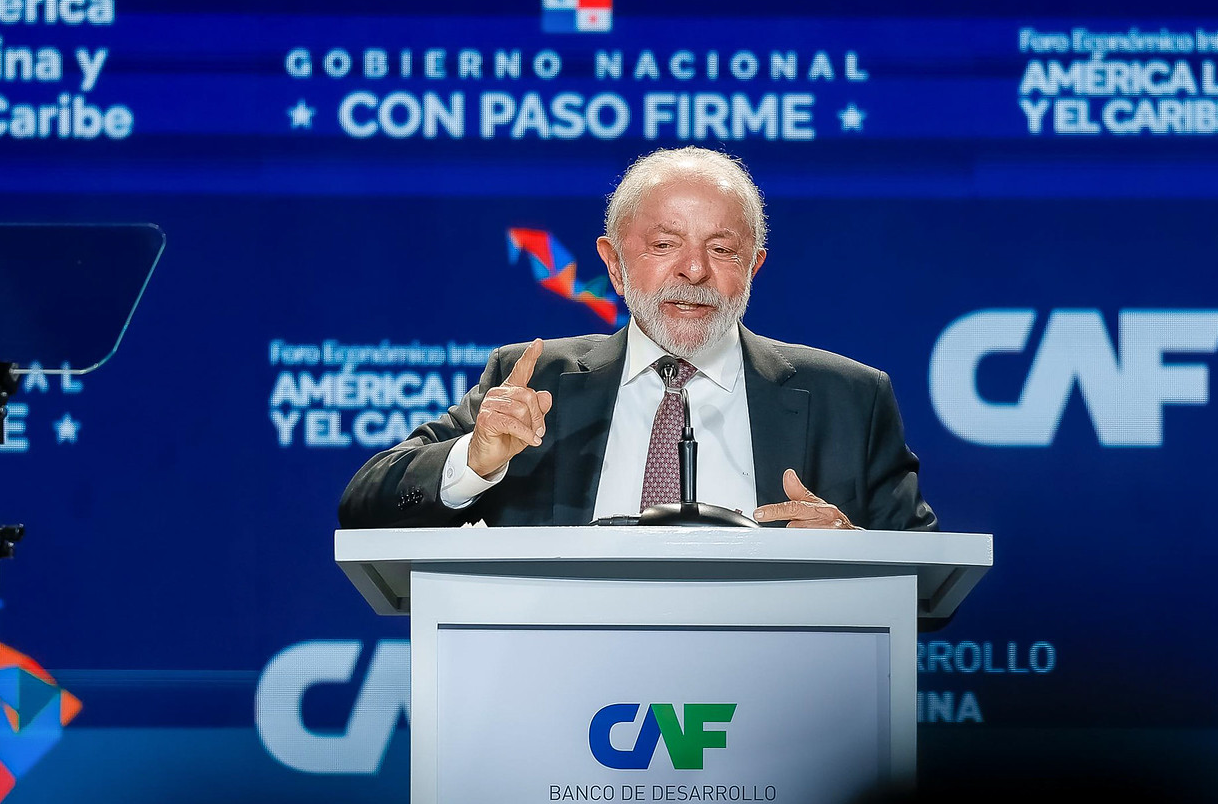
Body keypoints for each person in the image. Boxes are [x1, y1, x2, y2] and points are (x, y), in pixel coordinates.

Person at [338, 146, 936, 531]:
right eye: (664, 245)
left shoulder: (849, 398)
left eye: (722, 249)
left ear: (753, 266)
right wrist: (475, 459)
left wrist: (851, 553)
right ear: (615, 265)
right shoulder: (536, 379)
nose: (694, 271)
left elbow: (927, 593)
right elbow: (364, 509)